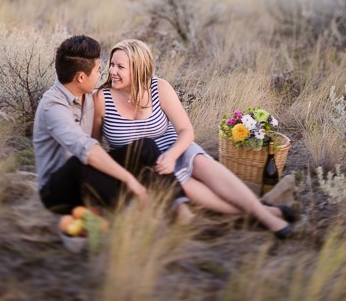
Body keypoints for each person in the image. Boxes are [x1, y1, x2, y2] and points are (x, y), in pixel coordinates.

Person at [92, 39, 294, 239]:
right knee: (184, 184)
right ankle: (265, 214)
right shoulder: (102, 98)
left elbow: (185, 130)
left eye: (120, 67)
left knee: (201, 161)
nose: (112, 71)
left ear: (138, 68)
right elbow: (95, 145)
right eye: (112, 64)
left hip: (174, 147)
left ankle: (266, 217)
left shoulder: (159, 88)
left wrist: (172, 155)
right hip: (145, 165)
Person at [33, 34, 191, 218]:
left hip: (87, 170)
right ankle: (130, 215)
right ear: (81, 77)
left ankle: (180, 207)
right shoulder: (52, 107)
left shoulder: (88, 96)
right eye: (98, 70)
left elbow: (96, 143)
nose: (104, 73)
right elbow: (88, 150)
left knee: (144, 145)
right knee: (80, 161)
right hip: (57, 190)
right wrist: (129, 180)